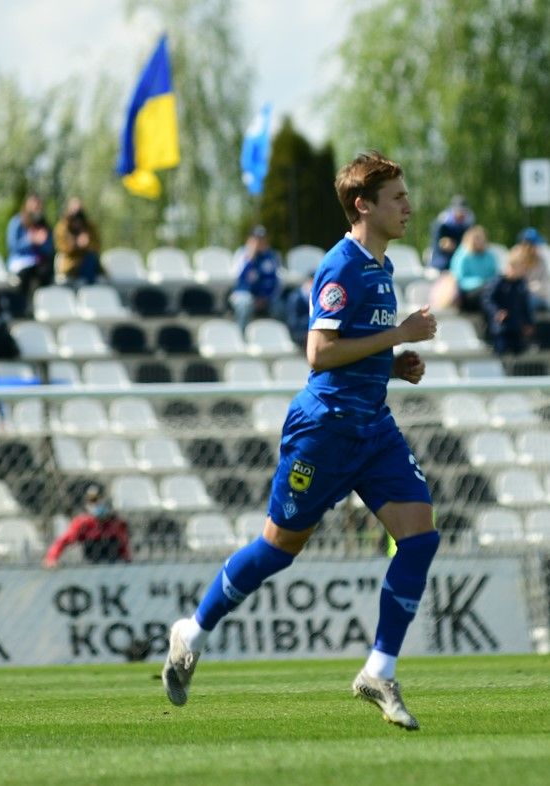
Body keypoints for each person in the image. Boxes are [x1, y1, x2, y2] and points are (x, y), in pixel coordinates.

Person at [162, 152, 439, 731]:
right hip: (325, 431)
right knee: (277, 550)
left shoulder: (380, 266)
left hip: (372, 426)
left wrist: (394, 365)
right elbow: (319, 353)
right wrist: (400, 334)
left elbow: (355, 352)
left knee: (420, 535)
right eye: (397, 198)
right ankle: (193, 630)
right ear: (364, 206)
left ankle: (379, 669)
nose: (408, 205)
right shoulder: (341, 266)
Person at [43, 485, 131, 567]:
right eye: (92, 501)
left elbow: (124, 547)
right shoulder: (83, 522)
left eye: (98, 499)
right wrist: (51, 558)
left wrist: (127, 562)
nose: (96, 504)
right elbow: (63, 541)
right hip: (91, 565)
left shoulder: (117, 523)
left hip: (115, 564)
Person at [481, 245, 535, 356]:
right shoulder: (498, 282)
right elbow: (487, 300)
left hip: (517, 328)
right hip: (501, 328)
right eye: (522, 267)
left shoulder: (521, 284)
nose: (525, 270)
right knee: (501, 354)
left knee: (519, 355)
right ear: (512, 266)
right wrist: (496, 312)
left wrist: (528, 322)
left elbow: (525, 306)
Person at [228, 225, 282, 334]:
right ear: (249, 240)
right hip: (243, 294)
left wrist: (266, 297)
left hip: (266, 297)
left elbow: (277, 281)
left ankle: (275, 337)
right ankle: (240, 335)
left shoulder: (272, 255)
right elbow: (238, 277)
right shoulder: (241, 253)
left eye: (262, 239)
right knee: (244, 303)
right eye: (256, 239)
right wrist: (250, 257)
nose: (260, 242)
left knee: (280, 306)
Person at [6, 194, 55, 307]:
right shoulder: (17, 222)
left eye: (38, 205)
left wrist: (41, 243)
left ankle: (44, 306)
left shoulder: (44, 225)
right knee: (26, 275)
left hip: (38, 262)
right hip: (21, 262)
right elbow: (12, 246)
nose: (36, 207)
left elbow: (49, 249)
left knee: (45, 272)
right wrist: (29, 240)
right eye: (33, 204)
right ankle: (21, 308)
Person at [53, 197, 103, 287]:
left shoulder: (89, 226)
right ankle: (89, 289)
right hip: (71, 264)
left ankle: (90, 289)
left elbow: (97, 245)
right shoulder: (62, 227)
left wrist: (87, 244)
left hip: (88, 262)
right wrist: (77, 244)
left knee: (91, 259)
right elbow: (61, 247)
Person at [447, 225, 499, 312]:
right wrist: (481, 282)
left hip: (488, 288)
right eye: (477, 239)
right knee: (486, 295)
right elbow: (460, 280)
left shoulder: (489, 256)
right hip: (467, 294)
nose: (480, 242)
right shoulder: (462, 256)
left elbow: (494, 274)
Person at [429, 195, 475, 272]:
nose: (461, 215)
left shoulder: (467, 225)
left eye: (464, 211)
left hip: (462, 262)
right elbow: (439, 244)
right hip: (442, 263)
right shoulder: (442, 224)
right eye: (459, 211)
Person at [515, 228, 550, 313]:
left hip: (542, 296)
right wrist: (531, 287)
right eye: (535, 245)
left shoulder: (541, 260)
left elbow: (546, 285)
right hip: (523, 299)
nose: (537, 247)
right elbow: (517, 286)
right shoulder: (517, 261)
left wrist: (536, 287)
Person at [284, 271, 314, 348]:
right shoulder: (295, 298)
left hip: (310, 332)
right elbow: (293, 323)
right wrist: (313, 320)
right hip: (299, 334)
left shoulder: (316, 299)